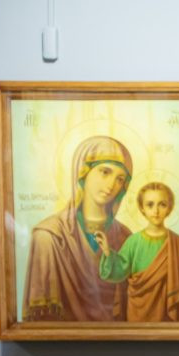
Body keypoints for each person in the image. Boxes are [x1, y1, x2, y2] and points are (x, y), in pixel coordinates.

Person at [22, 135, 134, 321]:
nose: (111, 185)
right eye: (105, 172)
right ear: (83, 173)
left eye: (120, 179)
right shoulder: (49, 236)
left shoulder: (125, 236)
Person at [95, 181, 179, 322]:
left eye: (162, 204)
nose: (156, 211)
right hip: (136, 311)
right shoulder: (133, 242)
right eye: (150, 205)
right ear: (142, 208)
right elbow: (120, 271)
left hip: (165, 313)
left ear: (169, 207)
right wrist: (107, 251)